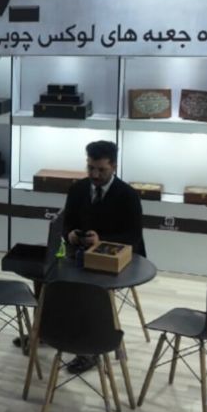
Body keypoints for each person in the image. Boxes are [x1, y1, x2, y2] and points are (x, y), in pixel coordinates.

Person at [61, 139, 144, 373]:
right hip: (81, 252)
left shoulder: (128, 195)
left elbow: (133, 236)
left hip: (118, 257)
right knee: (47, 278)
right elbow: (66, 223)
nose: (95, 174)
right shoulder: (78, 189)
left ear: (114, 167)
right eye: (90, 168)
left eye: (101, 169)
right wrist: (70, 234)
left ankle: (89, 350)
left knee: (88, 290)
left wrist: (102, 240)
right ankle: (47, 330)